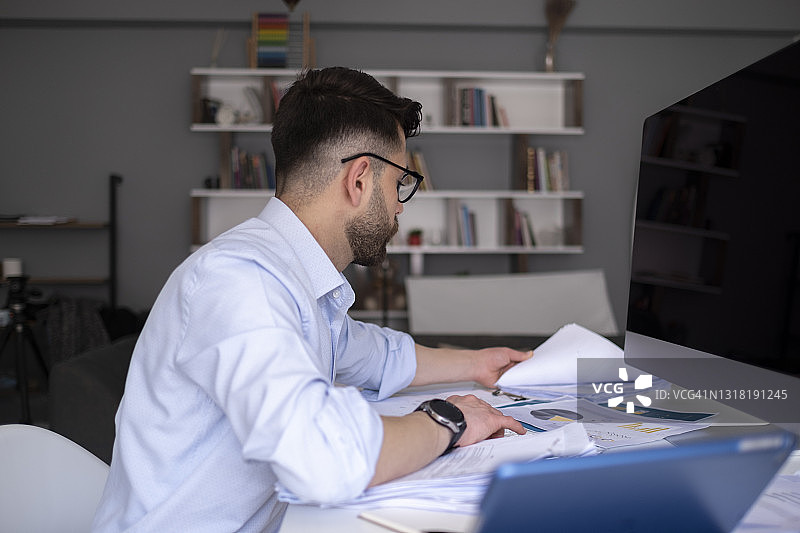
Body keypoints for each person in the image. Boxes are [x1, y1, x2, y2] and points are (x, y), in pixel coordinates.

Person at [92, 67, 532, 532]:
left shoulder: (293, 277)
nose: (400, 205)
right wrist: (448, 419)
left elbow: (372, 354)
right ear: (359, 180)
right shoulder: (241, 280)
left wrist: (477, 364)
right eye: (399, 182)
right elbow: (324, 456)